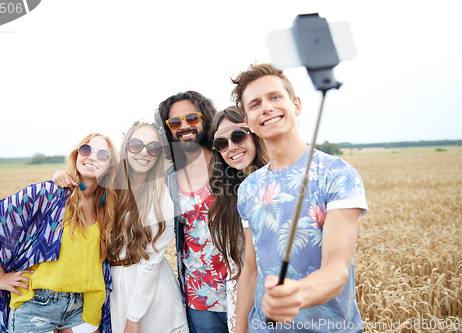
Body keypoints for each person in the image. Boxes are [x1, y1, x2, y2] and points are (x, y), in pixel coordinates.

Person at [231, 63, 368, 333]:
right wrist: (239, 329)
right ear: (249, 123)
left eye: (274, 97)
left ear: (296, 105)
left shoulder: (337, 175)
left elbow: (336, 269)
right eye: (255, 104)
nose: (267, 108)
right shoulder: (248, 188)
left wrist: (296, 294)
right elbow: (251, 270)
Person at [0, 132, 118, 333]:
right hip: (35, 309)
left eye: (102, 154)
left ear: (111, 166)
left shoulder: (107, 207)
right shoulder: (50, 193)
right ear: (77, 155)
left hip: (82, 309)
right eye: (86, 150)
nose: (92, 157)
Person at [53, 122, 189, 333]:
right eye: (136, 145)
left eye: (153, 147)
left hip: (150, 291)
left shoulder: (160, 196)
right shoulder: (110, 184)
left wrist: (133, 319)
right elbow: (83, 188)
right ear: (126, 148)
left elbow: (150, 265)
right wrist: (61, 176)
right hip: (113, 286)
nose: (144, 152)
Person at [155, 91, 228, 333]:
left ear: (205, 119)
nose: (184, 126)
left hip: (244, 290)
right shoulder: (168, 179)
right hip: (199, 299)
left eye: (191, 118)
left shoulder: (229, 162)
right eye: (175, 122)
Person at [207, 106, 269, 332]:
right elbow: (239, 271)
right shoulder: (228, 196)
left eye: (238, 136)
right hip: (241, 305)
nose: (231, 147)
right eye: (222, 143)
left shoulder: (279, 184)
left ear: (254, 133)